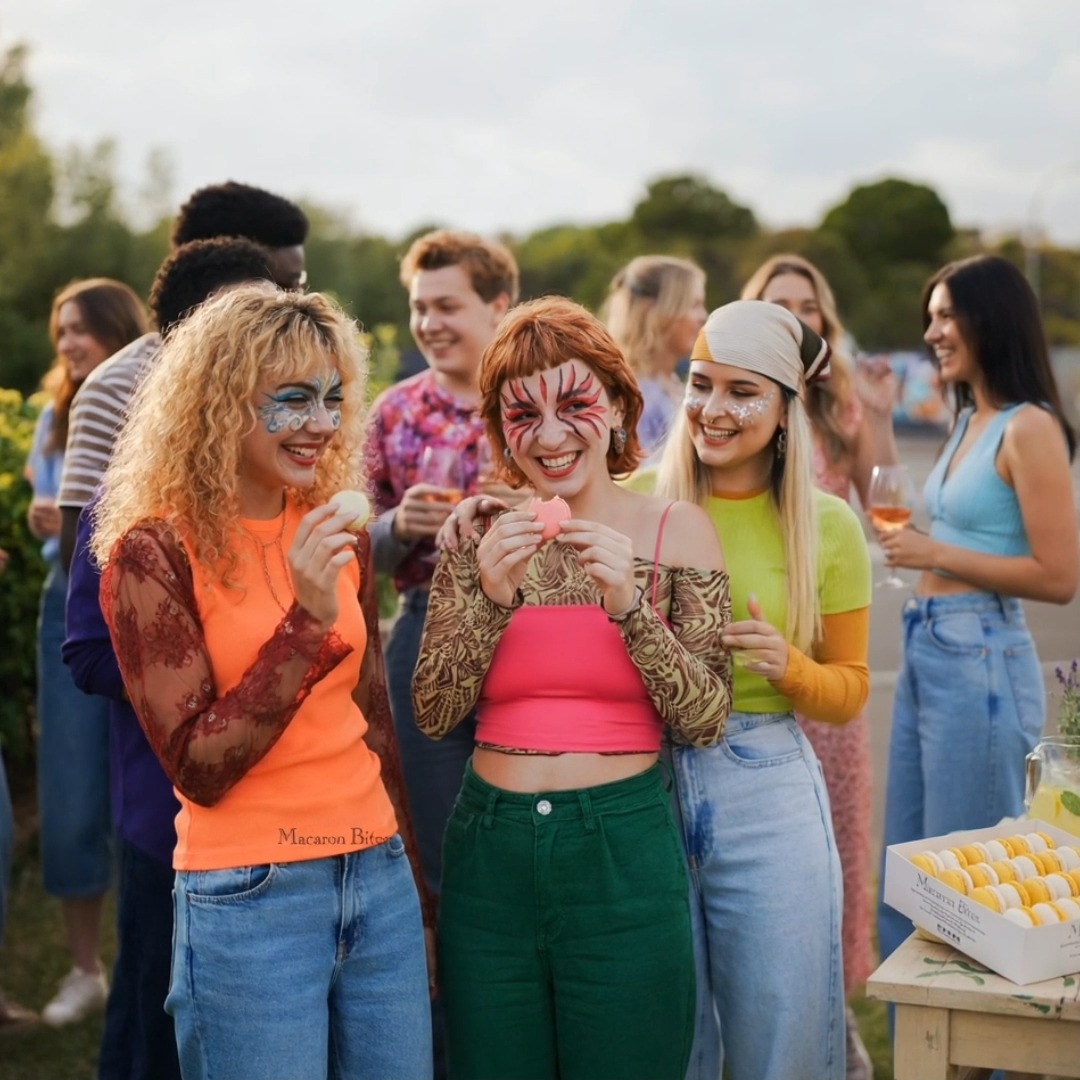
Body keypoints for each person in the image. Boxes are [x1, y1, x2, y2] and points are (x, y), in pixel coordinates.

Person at [93, 286, 432, 1080]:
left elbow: (370, 714)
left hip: (375, 873)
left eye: (332, 398)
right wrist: (306, 623)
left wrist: (413, 890)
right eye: (292, 400)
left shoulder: (335, 530)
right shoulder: (153, 553)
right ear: (219, 403)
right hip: (250, 896)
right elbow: (198, 765)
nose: (321, 422)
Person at [413, 296, 733, 1080]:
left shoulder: (676, 529)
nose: (550, 437)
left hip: (623, 857)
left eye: (575, 405)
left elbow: (706, 718)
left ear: (621, 407)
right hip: (489, 859)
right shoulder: (479, 531)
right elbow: (433, 711)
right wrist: (487, 597)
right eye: (522, 415)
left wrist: (630, 606)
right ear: (498, 428)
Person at [61, 237, 279, 1080]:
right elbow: (85, 650)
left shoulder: (299, 484)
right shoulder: (130, 499)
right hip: (172, 813)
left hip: (292, 821)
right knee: (158, 1016)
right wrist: (218, 685)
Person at [648, 300, 872, 1080]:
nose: (713, 410)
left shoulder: (830, 526)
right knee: (672, 1038)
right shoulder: (637, 497)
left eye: (742, 392)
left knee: (783, 1033)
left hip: (767, 778)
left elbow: (849, 691)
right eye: (701, 384)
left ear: (784, 410)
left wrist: (789, 667)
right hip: (642, 777)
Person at [876, 254, 1079, 966]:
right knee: (906, 887)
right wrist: (876, 417)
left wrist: (933, 555)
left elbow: (1060, 577)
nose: (931, 331)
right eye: (928, 317)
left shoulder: (1030, 428)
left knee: (965, 904)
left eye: (944, 315)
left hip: (981, 657)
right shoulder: (967, 419)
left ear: (989, 319)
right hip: (928, 646)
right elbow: (913, 518)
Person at [740, 252, 897, 1078]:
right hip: (749, 668)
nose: (797, 318)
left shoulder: (841, 411)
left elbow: (888, 504)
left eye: (809, 306)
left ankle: (834, 1030)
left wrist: (871, 411)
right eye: (779, 305)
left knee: (832, 856)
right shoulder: (731, 412)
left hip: (823, 662)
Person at [367, 229, 520, 899]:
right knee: (441, 842)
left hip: (530, 629)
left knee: (519, 832)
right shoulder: (394, 412)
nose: (429, 323)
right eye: (419, 307)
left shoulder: (536, 406)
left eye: (447, 306)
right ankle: (451, 1001)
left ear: (499, 305)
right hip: (425, 625)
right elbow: (351, 548)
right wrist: (399, 526)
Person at [57, 180, 311, 571]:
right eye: (281, 287)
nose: (291, 305)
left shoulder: (292, 381)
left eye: (298, 286)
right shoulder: (117, 386)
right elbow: (83, 549)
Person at [24, 278, 148, 1027]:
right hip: (62, 611)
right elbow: (65, 533)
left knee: (140, 794)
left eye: (83, 327)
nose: (69, 341)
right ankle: (83, 968)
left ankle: (146, 953)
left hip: (142, 612)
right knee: (71, 798)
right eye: (61, 328)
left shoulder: (146, 403)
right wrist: (50, 523)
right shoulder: (50, 419)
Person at [600, 255, 707, 458]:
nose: (703, 316)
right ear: (655, 312)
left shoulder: (673, 383)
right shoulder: (634, 397)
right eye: (694, 305)